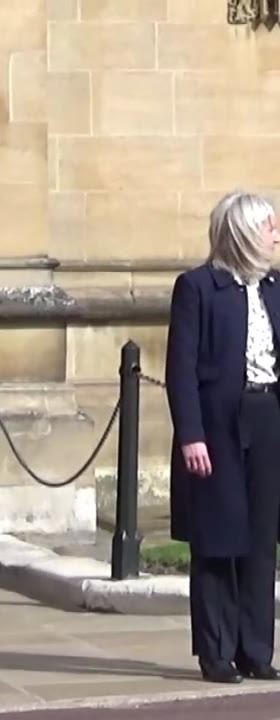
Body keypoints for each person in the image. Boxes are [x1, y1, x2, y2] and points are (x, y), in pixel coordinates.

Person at [166, 191, 280, 685]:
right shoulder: (198, 287)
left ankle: (256, 649)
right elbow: (181, 369)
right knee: (217, 540)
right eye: (269, 227)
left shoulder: (274, 286)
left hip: (266, 414)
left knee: (260, 540)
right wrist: (191, 435)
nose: (276, 236)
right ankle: (215, 651)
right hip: (216, 425)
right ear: (243, 233)